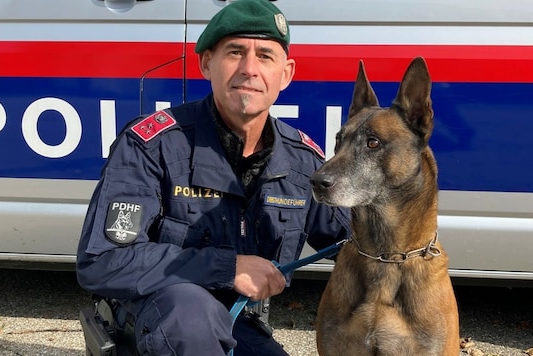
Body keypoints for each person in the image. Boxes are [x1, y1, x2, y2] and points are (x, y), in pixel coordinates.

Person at [76, 0, 350, 354]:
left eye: (265, 56)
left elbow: (362, 245)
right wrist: (227, 267)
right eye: (235, 52)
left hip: (233, 322)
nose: (250, 69)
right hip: (154, 320)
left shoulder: (301, 162)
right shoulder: (153, 146)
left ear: (286, 73)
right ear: (207, 63)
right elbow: (102, 262)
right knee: (190, 314)